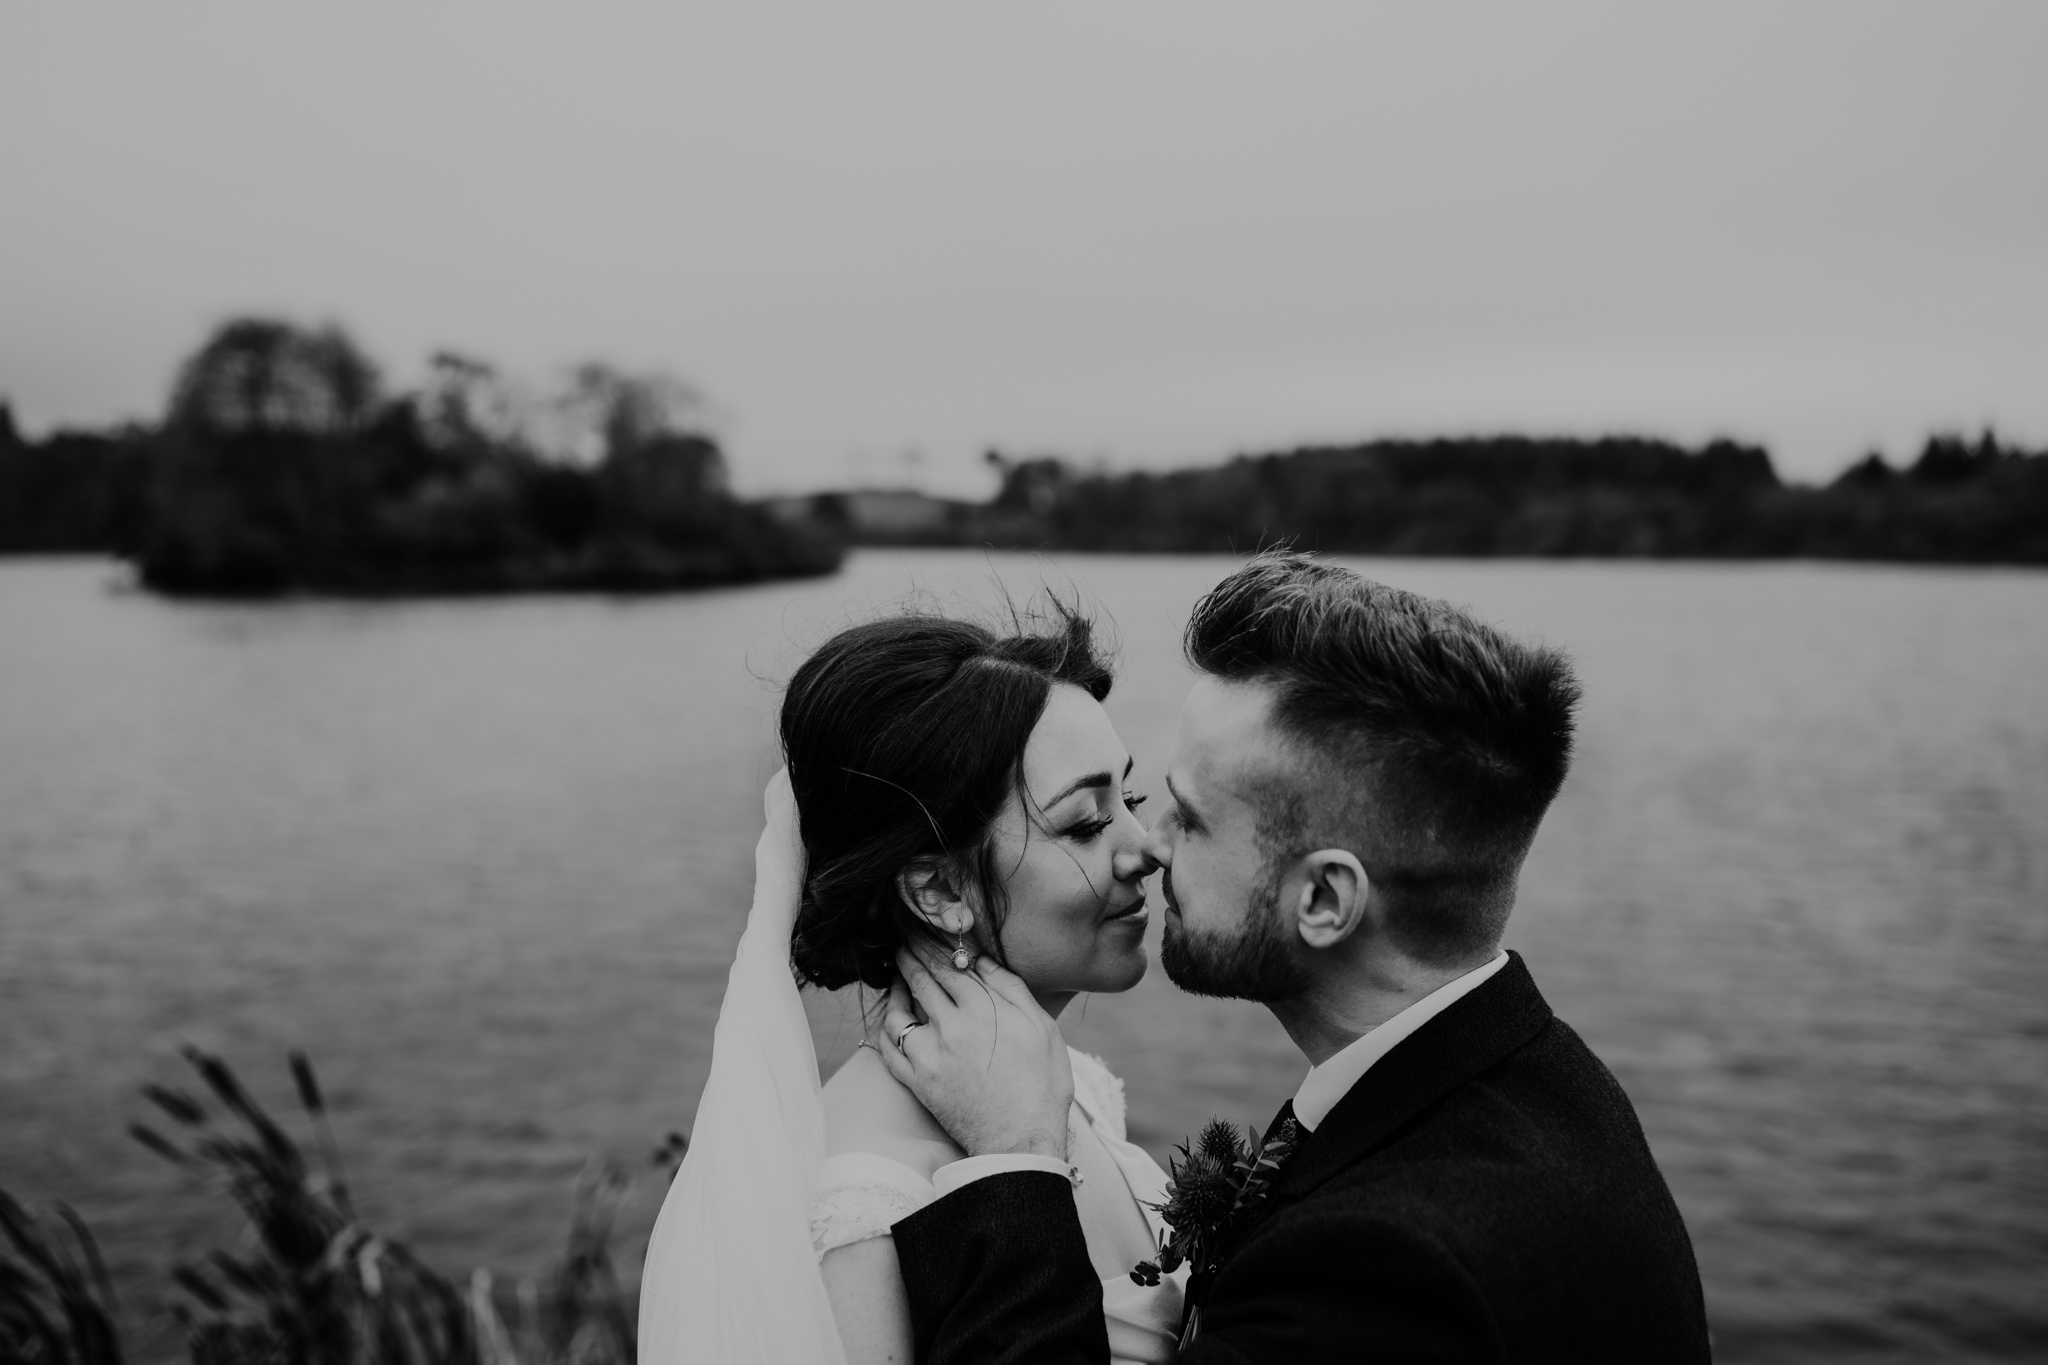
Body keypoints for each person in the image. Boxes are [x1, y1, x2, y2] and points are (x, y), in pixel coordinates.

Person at [878, 551, 1713, 1363]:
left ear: (1323, 901)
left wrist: (1015, 1155)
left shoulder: (1393, 1273)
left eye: (1190, 818)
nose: (1151, 847)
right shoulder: (1546, 1085)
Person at [639, 607, 1188, 1365]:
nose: (1148, 848)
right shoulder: (860, 1213)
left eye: (1130, 801)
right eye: (1088, 823)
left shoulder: (1070, 1087)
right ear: (939, 890)